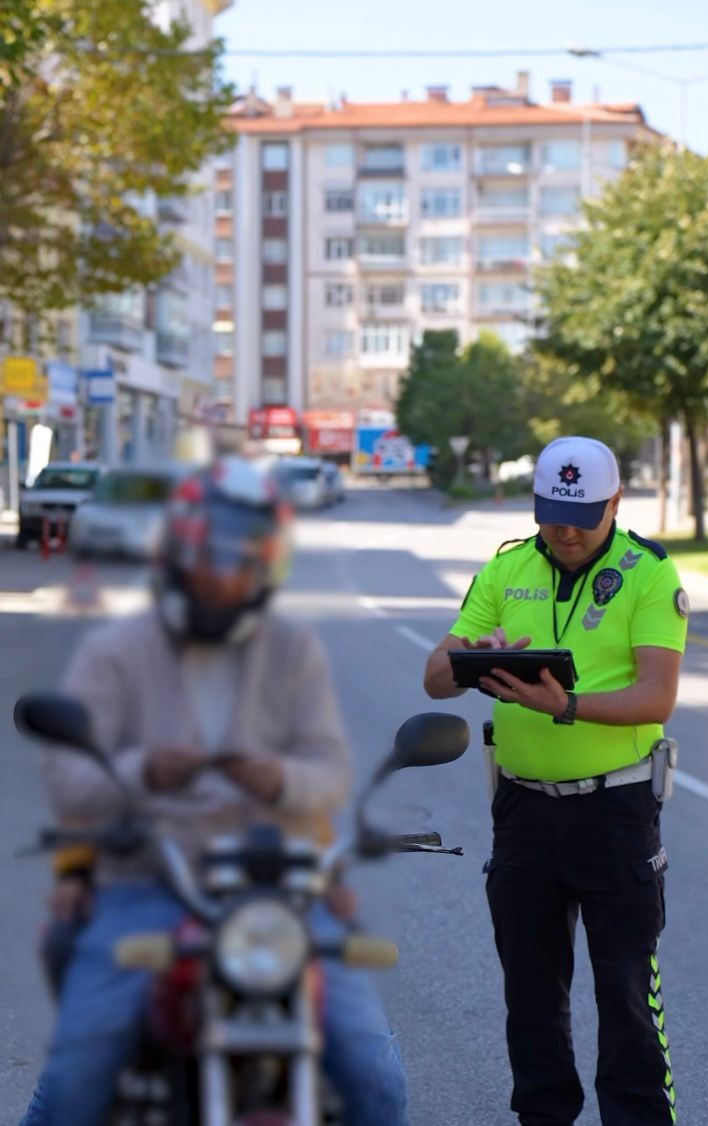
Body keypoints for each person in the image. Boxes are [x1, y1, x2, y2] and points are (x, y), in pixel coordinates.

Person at [22, 456, 409, 1126]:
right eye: (212, 558)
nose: (225, 578)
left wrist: (278, 778)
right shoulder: (117, 650)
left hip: (280, 892)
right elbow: (67, 777)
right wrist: (146, 772)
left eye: (243, 561)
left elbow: (331, 771)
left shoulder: (293, 652)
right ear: (178, 553)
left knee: (374, 1074)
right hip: (144, 884)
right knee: (78, 1074)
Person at [424, 436, 687, 1126]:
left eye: (581, 514)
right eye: (551, 513)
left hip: (617, 811)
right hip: (523, 815)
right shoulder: (508, 566)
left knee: (627, 992)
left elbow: (657, 697)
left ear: (616, 503)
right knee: (531, 996)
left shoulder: (649, 574)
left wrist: (565, 706)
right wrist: (471, 659)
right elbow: (434, 676)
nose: (563, 530)